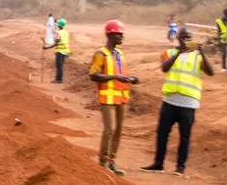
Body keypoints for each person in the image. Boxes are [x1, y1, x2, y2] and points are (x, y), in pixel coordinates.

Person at [143, 26, 215, 176]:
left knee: (185, 136)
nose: (185, 40)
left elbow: (211, 72)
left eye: (188, 37)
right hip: (169, 100)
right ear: (178, 38)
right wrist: (178, 53)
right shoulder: (169, 53)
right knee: (162, 133)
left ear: (192, 38)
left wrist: (203, 53)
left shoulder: (198, 56)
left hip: (188, 102)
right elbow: (164, 68)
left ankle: (180, 167)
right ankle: (158, 163)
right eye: (183, 37)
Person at [88, 20, 145, 175]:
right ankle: (102, 162)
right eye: (119, 34)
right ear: (110, 34)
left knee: (118, 130)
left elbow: (121, 75)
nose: (121, 37)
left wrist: (130, 79)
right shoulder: (100, 54)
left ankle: (112, 161)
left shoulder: (120, 54)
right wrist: (115, 77)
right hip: (107, 98)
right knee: (109, 130)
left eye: (122, 34)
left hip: (120, 97)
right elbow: (93, 75)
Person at [43, 17, 71, 83]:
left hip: (60, 51)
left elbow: (56, 43)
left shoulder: (58, 33)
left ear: (59, 25)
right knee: (61, 66)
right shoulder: (66, 32)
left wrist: (47, 48)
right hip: (65, 51)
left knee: (59, 66)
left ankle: (59, 79)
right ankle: (59, 78)